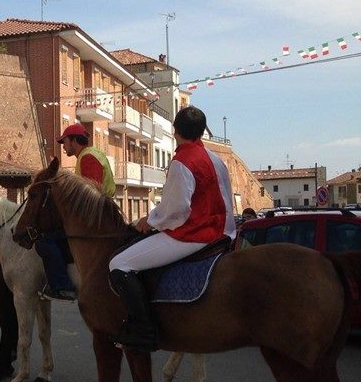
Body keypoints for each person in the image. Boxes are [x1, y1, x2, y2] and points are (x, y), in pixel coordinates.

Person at [108, 106, 236, 352]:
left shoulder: (181, 162)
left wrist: (150, 221)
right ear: (201, 131)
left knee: (119, 264)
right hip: (222, 232)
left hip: (193, 235)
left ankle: (144, 331)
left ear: (175, 131)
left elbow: (176, 211)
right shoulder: (216, 160)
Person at [35, 123, 116, 301]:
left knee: (45, 242)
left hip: (94, 219)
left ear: (73, 141)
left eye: (65, 142)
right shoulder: (89, 155)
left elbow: (89, 194)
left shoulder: (87, 158)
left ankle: (62, 287)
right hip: (100, 214)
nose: (63, 146)